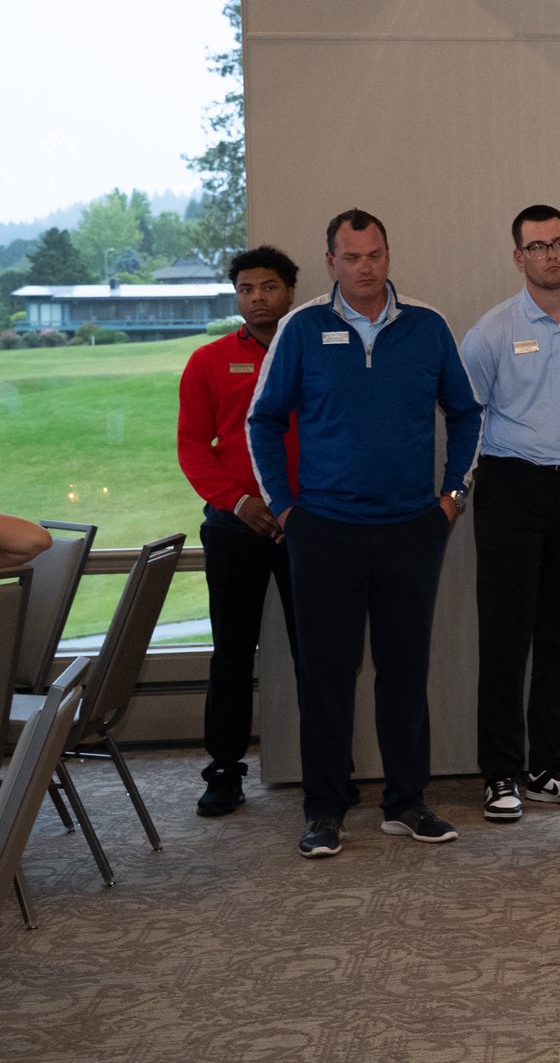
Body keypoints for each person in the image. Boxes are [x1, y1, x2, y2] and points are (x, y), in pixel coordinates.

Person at [248, 209, 481, 859]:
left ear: (388, 255)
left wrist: (452, 497)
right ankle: (324, 809)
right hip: (324, 531)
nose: (365, 267)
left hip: (412, 530)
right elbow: (262, 420)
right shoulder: (302, 328)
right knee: (326, 675)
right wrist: (286, 508)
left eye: (375, 254)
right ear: (331, 262)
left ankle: (407, 803)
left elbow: (466, 414)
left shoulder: (427, 326)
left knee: (405, 672)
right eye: (351, 257)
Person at [461, 205, 560, 824]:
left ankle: (550, 766)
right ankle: (500, 772)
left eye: (559, 243)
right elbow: (466, 415)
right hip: (511, 488)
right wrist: (461, 489)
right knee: (505, 638)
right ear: (518, 257)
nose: (550, 255)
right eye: (537, 246)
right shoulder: (492, 331)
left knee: (559, 637)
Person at [176, 245, 301, 818]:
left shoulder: (314, 354)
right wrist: (240, 501)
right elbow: (193, 448)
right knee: (231, 651)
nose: (257, 298)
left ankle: (327, 766)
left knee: (317, 651)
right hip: (234, 525)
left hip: (305, 524)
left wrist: (295, 507)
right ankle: (224, 770)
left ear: (290, 292)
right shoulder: (208, 361)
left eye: (268, 287)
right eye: (246, 289)